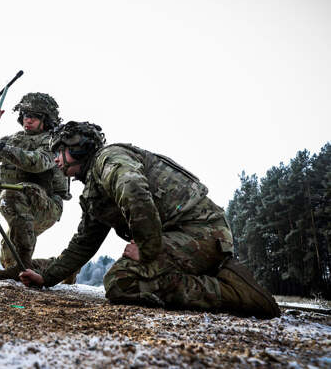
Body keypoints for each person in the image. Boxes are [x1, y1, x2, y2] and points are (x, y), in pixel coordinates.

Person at [20, 121, 280, 318]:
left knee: (122, 281)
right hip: (183, 237)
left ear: (79, 148)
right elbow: (84, 242)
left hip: (202, 231)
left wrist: (147, 249)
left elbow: (133, 189)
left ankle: (236, 293)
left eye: (61, 151)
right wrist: (47, 278)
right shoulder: (94, 189)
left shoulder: (108, 159)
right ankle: (213, 275)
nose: (56, 160)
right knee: (121, 281)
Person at [0, 93, 75, 281]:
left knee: (13, 192)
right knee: (9, 260)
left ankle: (23, 265)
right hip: (16, 205)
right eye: (26, 115)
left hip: (45, 205)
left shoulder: (53, 141)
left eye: (35, 116)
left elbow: (38, 162)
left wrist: (1, 147)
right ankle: (63, 267)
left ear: (45, 120)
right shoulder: (14, 139)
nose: (28, 120)